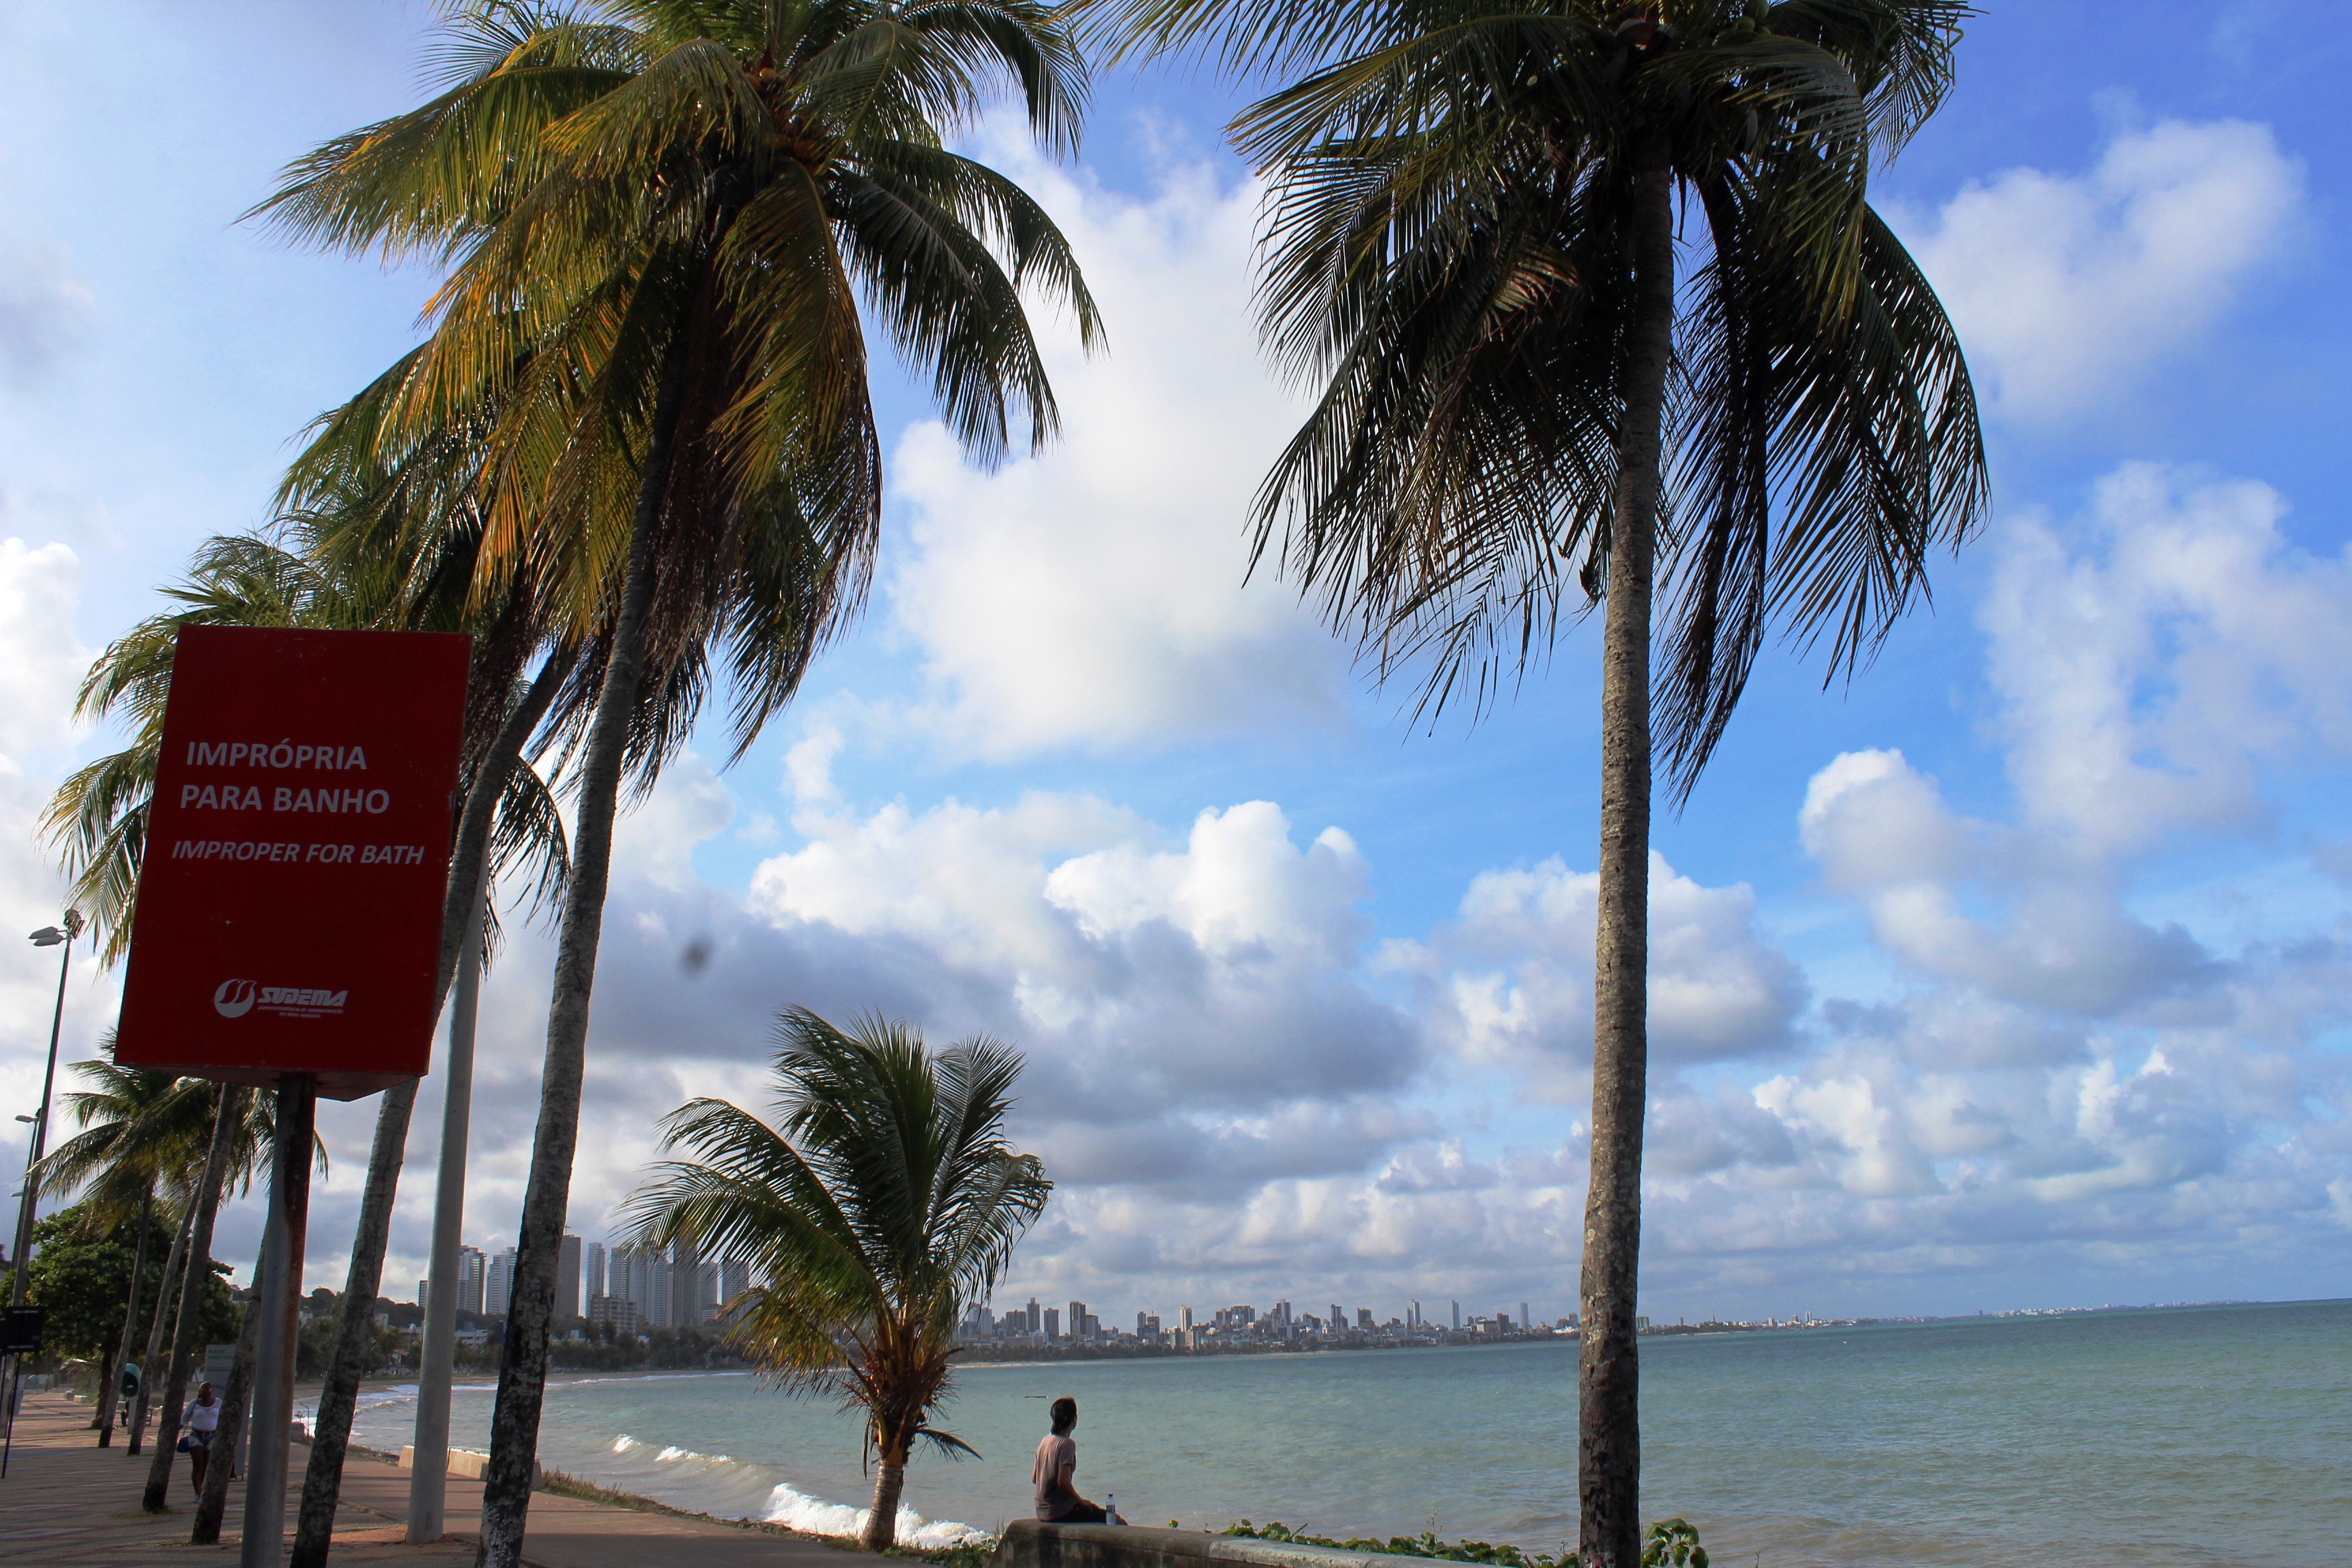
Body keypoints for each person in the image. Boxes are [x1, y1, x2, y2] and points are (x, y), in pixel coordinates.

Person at [1032, 1395, 1118, 1524]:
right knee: (1115, 1520)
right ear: (1073, 1419)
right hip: (1059, 1511)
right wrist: (1080, 1501)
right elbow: (1063, 1483)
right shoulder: (1067, 1444)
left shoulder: (1045, 1441)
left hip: (1041, 1511)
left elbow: (1035, 1478)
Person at [182, 1381, 220, 1494]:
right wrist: (174, 1432)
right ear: (200, 1391)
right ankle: (198, 1491)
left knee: (207, 1463)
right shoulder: (194, 1403)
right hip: (196, 1435)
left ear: (212, 1391)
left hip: (212, 1436)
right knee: (198, 1463)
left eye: (209, 1389)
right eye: (204, 1389)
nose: (206, 1392)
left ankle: (201, 1485)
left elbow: (224, 1418)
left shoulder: (218, 1402)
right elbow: (184, 1419)